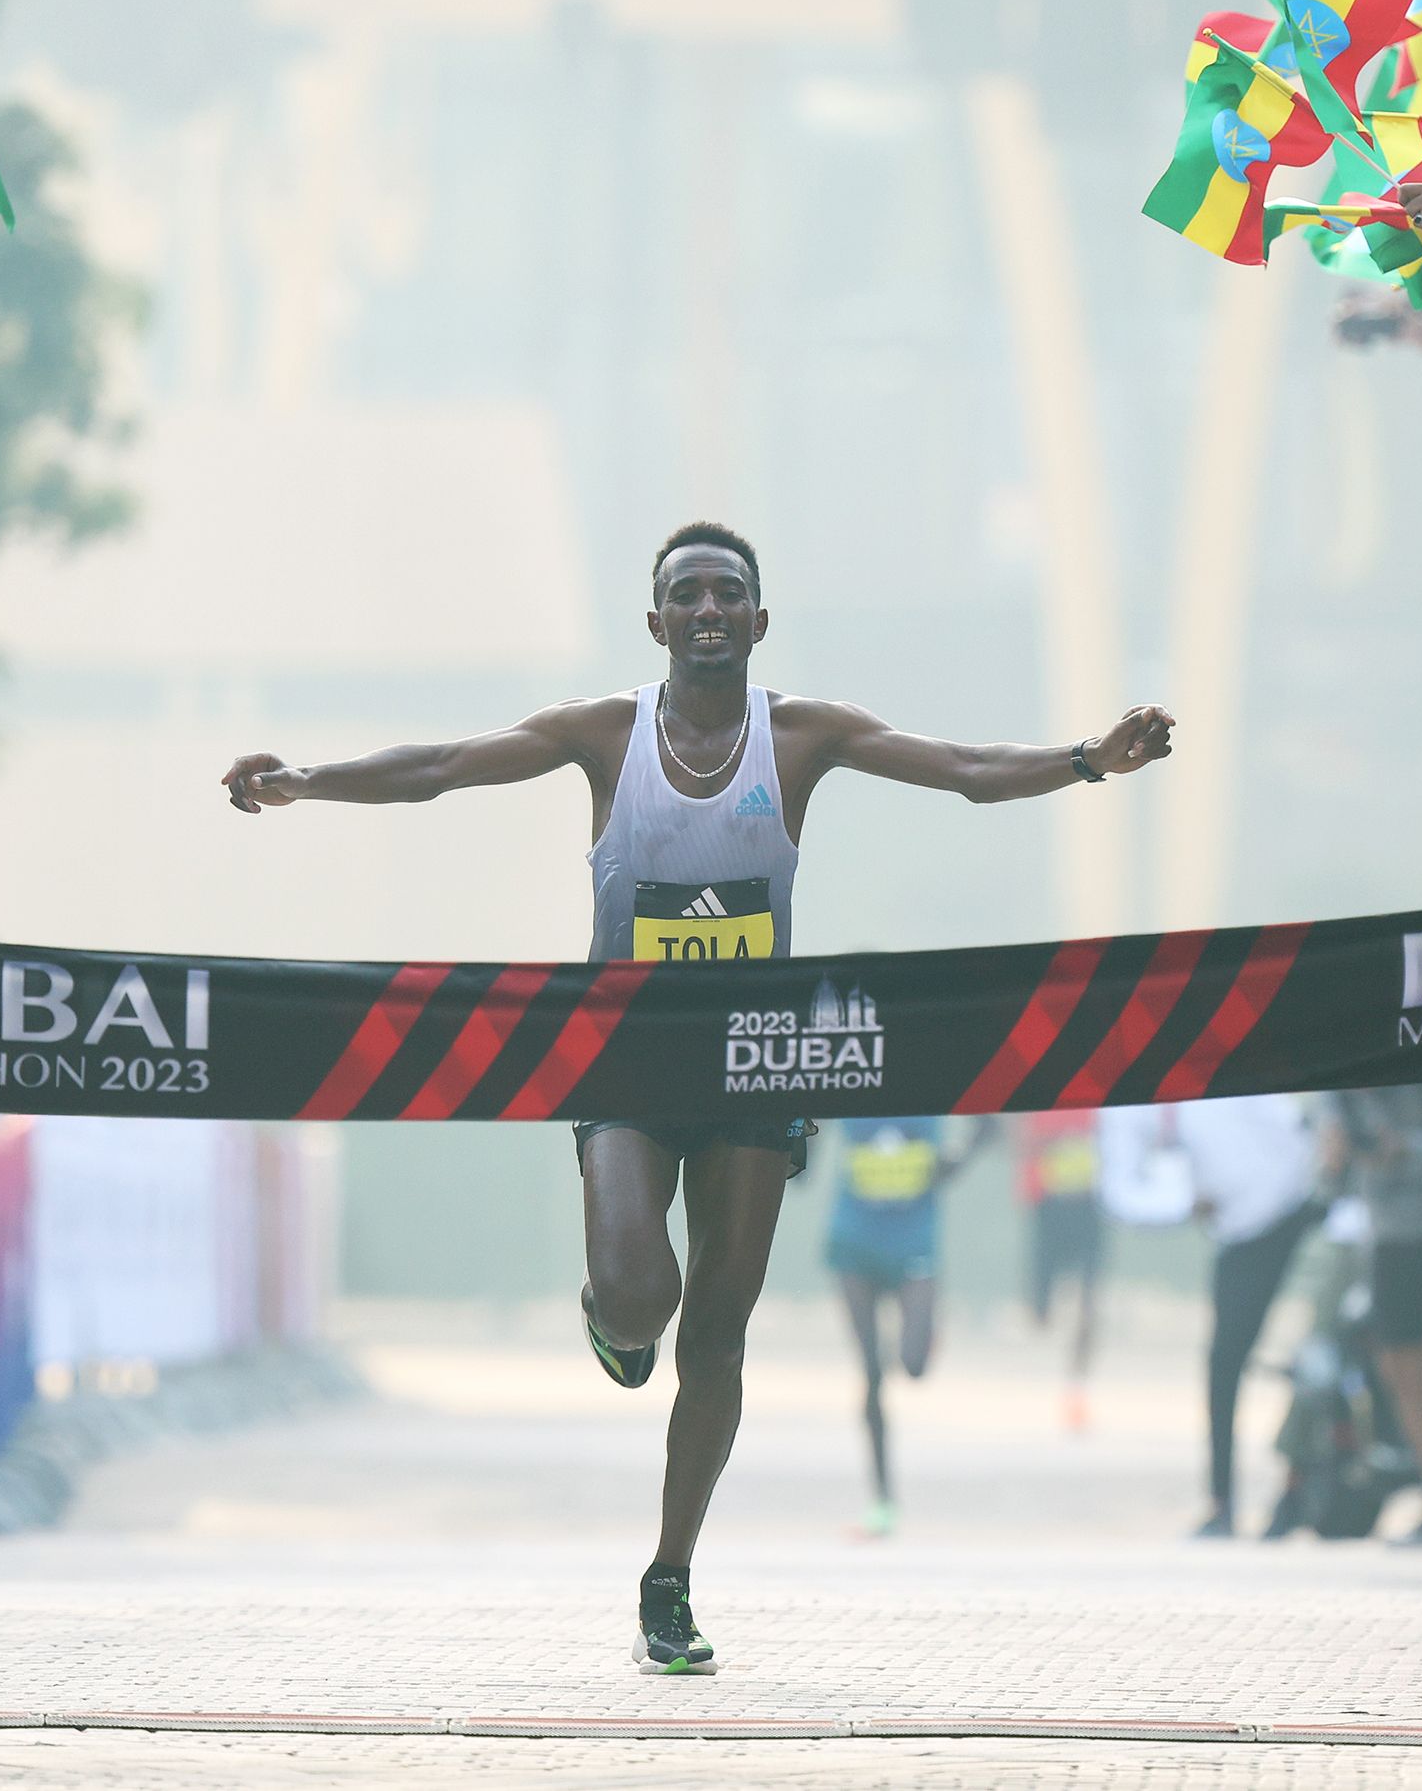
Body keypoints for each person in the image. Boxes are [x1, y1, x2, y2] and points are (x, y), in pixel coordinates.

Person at [220, 521, 1175, 1673]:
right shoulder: (602, 734)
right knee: (641, 1297)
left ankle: (667, 1578)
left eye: (731, 593)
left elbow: (965, 774)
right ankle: (610, 1314)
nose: (711, 608)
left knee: (716, 1335)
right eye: (689, 594)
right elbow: (440, 769)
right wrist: (302, 783)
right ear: (658, 621)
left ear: (759, 621)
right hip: (623, 1059)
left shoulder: (805, 736)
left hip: (756, 1064)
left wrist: (1088, 759)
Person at [1106, 1096, 1326, 1538]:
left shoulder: (1215, 1045)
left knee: (1330, 1349)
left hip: (1312, 1203)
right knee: (1225, 1364)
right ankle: (1223, 1503)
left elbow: (1287, 1119)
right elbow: (1121, 1191)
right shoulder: (1122, 1102)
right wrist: (1183, 1203)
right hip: (1244, 1229)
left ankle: (1301, 1486)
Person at [821, 1116, 987, 1538]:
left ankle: (926, 1325)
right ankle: (882, 1500)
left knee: (912, 1366)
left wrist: (956, 1162)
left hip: (914, 1240)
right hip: (854, 1241)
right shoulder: (855, 1074)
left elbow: (990, 1124)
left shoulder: (924, 1077)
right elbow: (806, 1111)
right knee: (872, 1375)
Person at [1331, 1083, 1422, 1547]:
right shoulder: (1343, 1088)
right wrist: (1336, 1156)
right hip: (1386, 1233)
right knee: (1397, 1364)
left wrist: (1406, 1148)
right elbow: (1331, 1166)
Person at [1015, 1107, 1105, 1433]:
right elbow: (1022, 1142)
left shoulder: (1101, 1102)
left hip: (1089, 1207)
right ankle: (1039, 1375)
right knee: (1041, 1312)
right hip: (1048, 1207)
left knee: (1088, 1305)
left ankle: (1076, 1384)